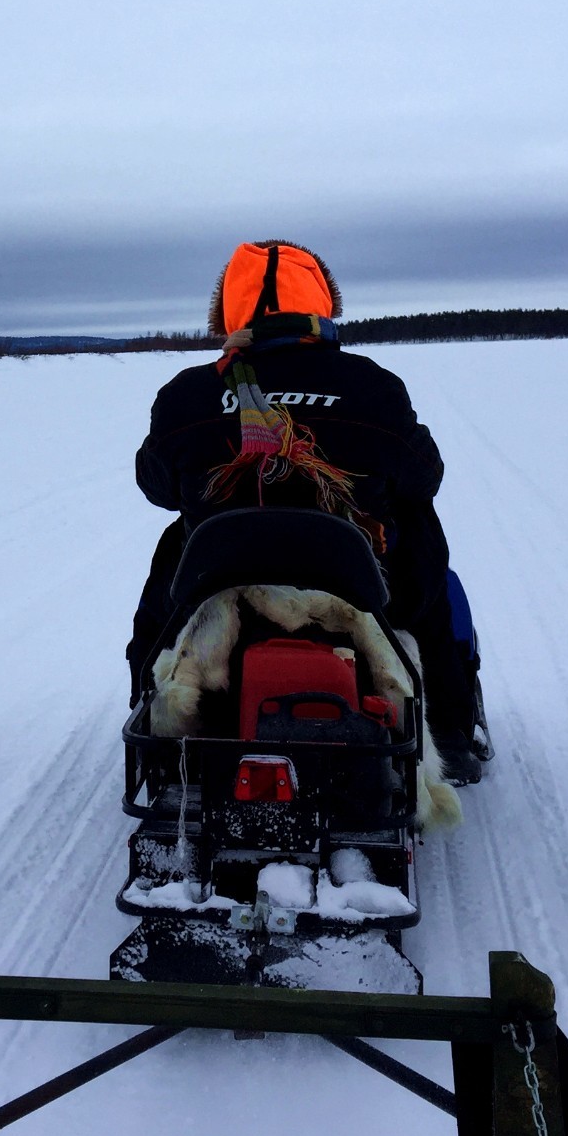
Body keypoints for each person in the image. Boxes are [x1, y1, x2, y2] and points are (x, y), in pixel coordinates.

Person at [130, 238, 485, 784]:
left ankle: (150, 710)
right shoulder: (373, 386)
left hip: (219, 587)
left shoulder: (188, 394)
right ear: (321, 305)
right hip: (363, 586)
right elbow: (425, 476)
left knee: (175, 547)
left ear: (228, 311)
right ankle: (451, 730)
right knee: (421, 537)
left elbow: (155, 485)